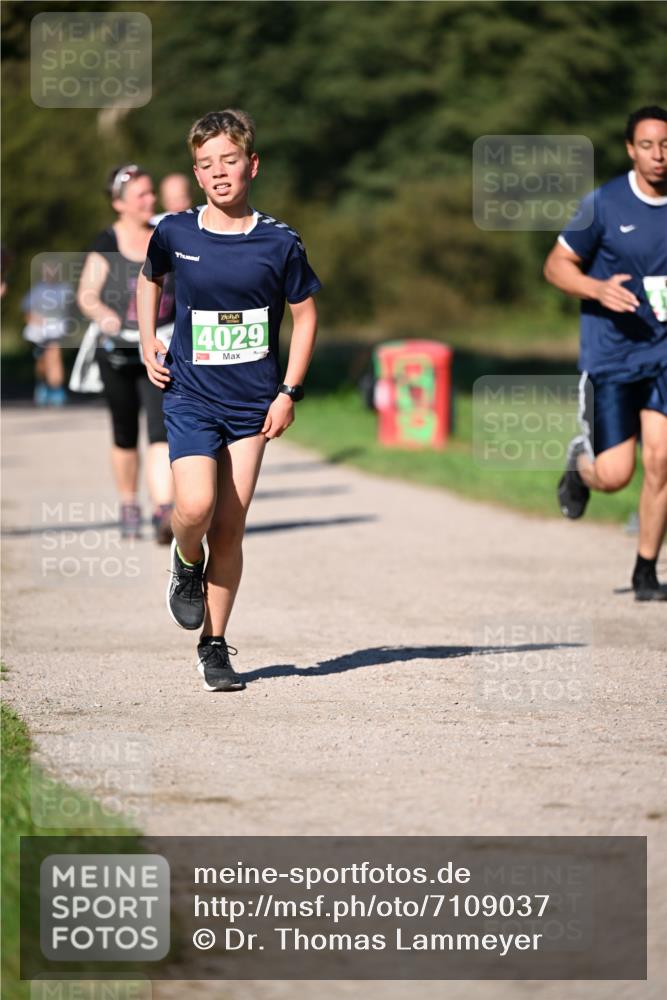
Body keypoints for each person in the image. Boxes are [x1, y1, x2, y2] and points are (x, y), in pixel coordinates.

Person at [137, 109, 321, 691]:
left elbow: (306, 314)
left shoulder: (280, 241)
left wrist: (288, 391)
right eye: (207, 164)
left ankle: (214, 645)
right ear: (196, 173)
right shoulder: (175, 231)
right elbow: (150, 278)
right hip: (190, 393)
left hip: (251, 405)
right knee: (193, 508)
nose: (220, 173)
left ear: (252, 165)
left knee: (231, 527)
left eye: (230, 161)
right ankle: (185, 563)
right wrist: (148, 341)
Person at [544, 106, 667, 601]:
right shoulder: (606, 204)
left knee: (662, 459)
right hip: (613, 358)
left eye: (666, 145)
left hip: (664, 355)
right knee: (616, 475)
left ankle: (645, 570)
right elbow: (556, 267)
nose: (659, 155)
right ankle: (581, 466)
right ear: (629, 149)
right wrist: (596, 289)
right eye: (647, 145)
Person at [77, 164, 176, 543]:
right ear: (119, 204)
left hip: (158, 349)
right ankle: (128, 503)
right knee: (124, 432)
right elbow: (87, 293)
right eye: (142, 196)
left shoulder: (164, 237)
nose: (150, 200)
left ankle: (163, 510)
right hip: (117, 352)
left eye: (152, 193)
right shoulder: (106, 242)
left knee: (160, 429)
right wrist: (101, 314)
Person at [21, 261, 73, 406]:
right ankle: (44, 385)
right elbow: (27, 312)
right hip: (38, 332)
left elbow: (70, 311)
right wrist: (38, 320)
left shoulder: (65, 289)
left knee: (54, 357)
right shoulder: (37, 290)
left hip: (56, 330)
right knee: (42, 362)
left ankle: (56, 389)